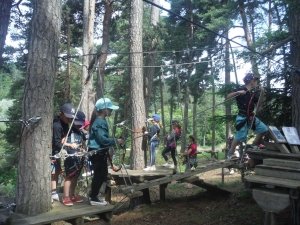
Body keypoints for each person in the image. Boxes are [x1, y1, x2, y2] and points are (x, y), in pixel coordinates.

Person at [88, 98, 124, 206]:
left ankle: (94, 195)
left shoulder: (100, 121)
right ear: (104, 110)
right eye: (110, 109)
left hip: (100, 152)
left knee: (102, 174)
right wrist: (117, 140)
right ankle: (93, 197)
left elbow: (103, 138)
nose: (111, 111)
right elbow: (103, 140)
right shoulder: (100, 122)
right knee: (99, 175)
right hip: (97, 153)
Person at [226, 73, 268, 158]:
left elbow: (259, 105)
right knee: (241, 136)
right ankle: (230, 154)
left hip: (251, 116)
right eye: (255, 81)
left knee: (263, 129)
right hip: (242, 117)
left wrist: (262, 93)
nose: (256, 82)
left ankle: (254, 144)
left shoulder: (252, 93)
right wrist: (238, 92)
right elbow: (228, 96)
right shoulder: (242, 89)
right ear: (252, 81)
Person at [51, 103, 76, 203]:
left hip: (58, 150)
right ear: (61, 114)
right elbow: (57, 142)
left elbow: (64, 137)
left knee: (57, 170)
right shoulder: (56, 125)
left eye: (71, 118)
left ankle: (54, 191)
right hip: (53, 150)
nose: (69, 120)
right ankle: (52, 191)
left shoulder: (65, 124)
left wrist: (65, 141)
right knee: (53, 172)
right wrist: (67, 147)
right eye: (68, 117)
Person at [62, 111, 87, 206]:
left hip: (79, 159)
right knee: (69, 177)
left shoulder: (81, 133)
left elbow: (83, 144)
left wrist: (84, 150)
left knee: (76, 177)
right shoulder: (68, 131)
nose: (78, 126)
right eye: (77, 124)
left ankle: (72, 194)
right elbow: (63, 142)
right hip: (70, 158)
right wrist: (70, 144)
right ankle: (65, 196)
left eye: (80, 124)